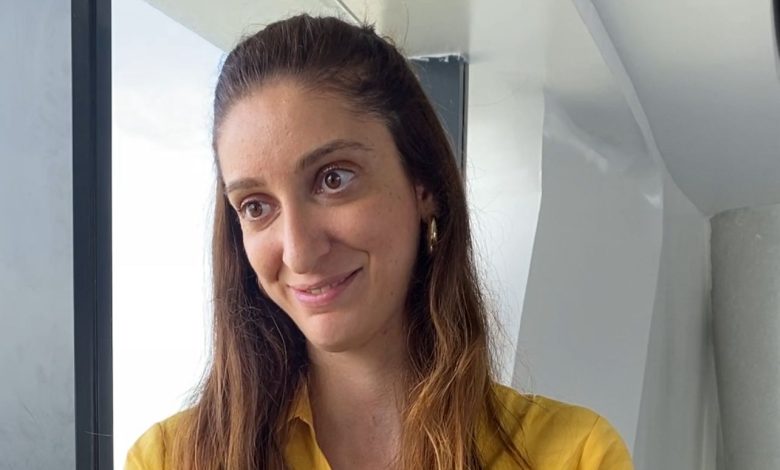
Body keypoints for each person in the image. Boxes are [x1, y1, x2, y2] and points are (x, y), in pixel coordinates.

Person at [125, 14, 632, 470]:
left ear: (423, 185)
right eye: (256, 206)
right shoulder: (168, 459)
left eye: (334, 179)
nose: (298, 251)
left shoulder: (573, 455)